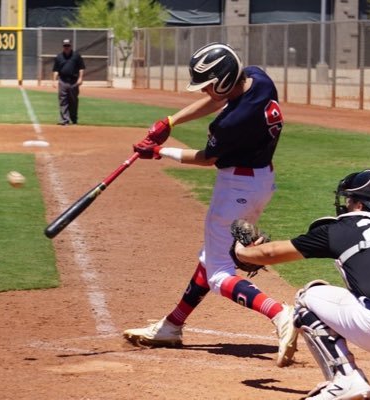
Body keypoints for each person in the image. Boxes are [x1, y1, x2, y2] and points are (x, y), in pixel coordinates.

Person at [123, 42, 298, 368]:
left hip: (236, 188)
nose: (203, 89)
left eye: (206, 83)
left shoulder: (231, 123)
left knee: (219, 273)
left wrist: (160, 152)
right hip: (260, 182)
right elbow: (216, 100)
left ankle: (279, 313)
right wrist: (171, 122)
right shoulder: (259, 79)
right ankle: (171, 326)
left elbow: (206, 159)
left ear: (222, 79)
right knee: (211, 258)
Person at [232, 168, 370, 399]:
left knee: (310, 296)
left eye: (349, 199)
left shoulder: (341, 229)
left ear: (360, 205)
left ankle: (346, 380)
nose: (346, 204)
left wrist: (241, 252)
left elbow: (270, 253)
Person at [52, 38, 85, 125]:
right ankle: (64, 120)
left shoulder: (76, 56)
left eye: (68, 45)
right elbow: (56, 70)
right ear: (63, 46)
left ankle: (74, 119)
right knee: (63, 100)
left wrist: (80, 78)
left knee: (73, 101)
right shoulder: (59, 57)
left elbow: (81, 68)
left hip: (74, 81)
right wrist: (54, 81)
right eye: (65, 46)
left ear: (71, 46)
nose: (66, 47)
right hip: (62, 80)